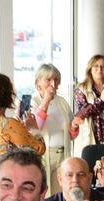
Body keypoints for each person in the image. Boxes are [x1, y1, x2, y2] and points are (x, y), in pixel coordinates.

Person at [0, 72, 45, 201]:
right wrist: (32, 128)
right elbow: (38, 149)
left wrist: (19, 127)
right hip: (9, 188)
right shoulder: (9, 125)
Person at [31, 64, 74, 193]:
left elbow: (71, 134)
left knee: (63, 192)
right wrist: (46, 100)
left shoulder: (62, 102)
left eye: (56, 80)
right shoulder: (34, 101)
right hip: (44, 154)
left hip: (64, 153)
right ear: (38, 82)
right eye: (48, 79)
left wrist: (75, 127)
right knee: (46, 193)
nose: (53, 83)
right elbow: (36, 126)